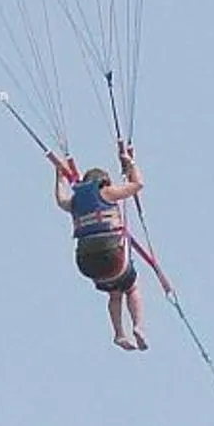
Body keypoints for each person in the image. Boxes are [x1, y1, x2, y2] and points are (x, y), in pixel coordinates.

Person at [55, 141, 153, 349]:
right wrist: (130, 163)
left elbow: (61, 199)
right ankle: (138, 326)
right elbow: (138, 185)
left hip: (88, 263)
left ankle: (119, 334)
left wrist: (59, 177)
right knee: (132, 287)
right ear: (104, 182)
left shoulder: (75, 202)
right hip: (111, 256)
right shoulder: (106, 193)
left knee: (114, 293)